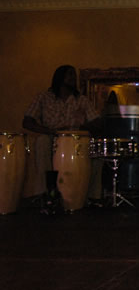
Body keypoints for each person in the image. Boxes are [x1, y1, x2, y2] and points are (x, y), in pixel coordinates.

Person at [22, 65, 101, 198]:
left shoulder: (82, 100)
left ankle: (89, 195)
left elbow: (97, 122)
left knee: (97, 152)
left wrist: (79, 127)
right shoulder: (44, 97)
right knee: (42, 142)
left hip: (76, 139)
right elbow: (27, 122)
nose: (73, 78)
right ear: (59, 76)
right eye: (69, 74)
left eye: (74, 76)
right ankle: (45, 192)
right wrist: (49, 131)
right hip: (51, 137)